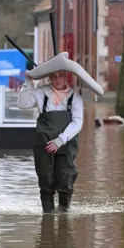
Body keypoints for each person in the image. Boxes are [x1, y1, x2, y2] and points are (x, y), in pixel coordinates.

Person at [17, 71, 83, 213]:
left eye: (61, 76)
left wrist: (60, 140)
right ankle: (48, 217)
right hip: (44, 142)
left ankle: (64, 214)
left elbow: (77, 123)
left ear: (66, 76)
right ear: (49, 77)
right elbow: (22, 104)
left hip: (67, 143)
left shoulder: (75, 98)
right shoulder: (41, 93)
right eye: (54, 76)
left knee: (65, 180)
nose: (58, 79)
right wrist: (28, 82)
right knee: (46, 180)